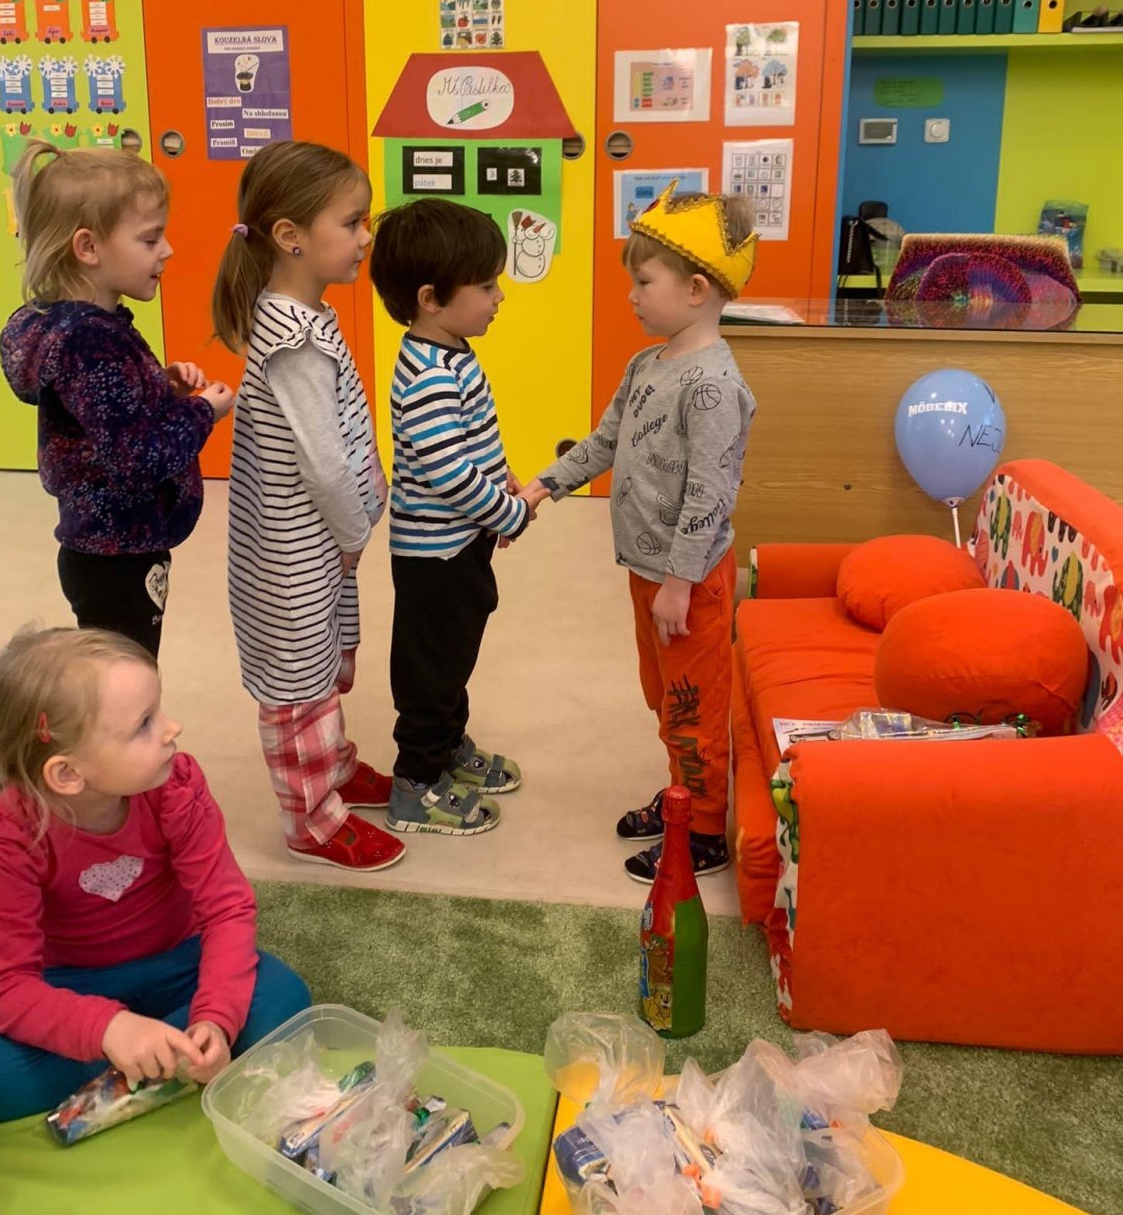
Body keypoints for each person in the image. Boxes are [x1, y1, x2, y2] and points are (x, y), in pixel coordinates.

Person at [0, 627, 310, 1123]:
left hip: (179, 962)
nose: (172, 728)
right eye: (144, 724)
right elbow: (5, 986)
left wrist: (215, 1020)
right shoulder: (9, 834)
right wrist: (108, 1029)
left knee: (285, 997)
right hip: (70, 983)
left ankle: (156, 1055)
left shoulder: (176, 787)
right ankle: (163, 1054)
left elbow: (227, 910)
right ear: (67, 774)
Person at [520, 185, 758, 882]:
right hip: (648, 573)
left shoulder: (714, 388)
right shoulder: (647, 366)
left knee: (692, 705)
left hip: (688, 582)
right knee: (664, 695)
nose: (631, 296)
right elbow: (604, 441)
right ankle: (684, 795)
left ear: (695, 289)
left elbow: (710, 495)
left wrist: (680, 584)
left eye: (644, 282)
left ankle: (703, 830)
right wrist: (543, 486)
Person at [212, 141, 403, 873]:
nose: (365, 238)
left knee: (319, 658)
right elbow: (321, 462)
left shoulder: (305, 315)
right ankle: (312, 822)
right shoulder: (295, 337)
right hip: (297, 547)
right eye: (352, 223)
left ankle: (334, 766)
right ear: (290, 236)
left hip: (314, 542)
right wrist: (354, 532)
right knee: (297, 681)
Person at [0, 142, 233, 657]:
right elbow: (135, 459)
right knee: (126, 672)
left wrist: (160, 389)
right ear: (88, 247)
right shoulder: (92, 342)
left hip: (102, 546)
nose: (167, 250)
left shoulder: (72, 330)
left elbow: (100, 416)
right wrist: (202, 411)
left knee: (119, 667)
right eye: (150, 239)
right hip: (118, 552)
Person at [368, 199, 537, 837]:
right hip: (435, 554)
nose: (500, 297)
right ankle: (416, 783)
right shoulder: (430, 377)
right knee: (432, 670)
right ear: (431, 299)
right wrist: (509, 512)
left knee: (454, 657)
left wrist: (501, 477)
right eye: (487, 285)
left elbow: (469, 443)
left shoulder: (451, 352)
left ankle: (447, 748)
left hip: (458, 542)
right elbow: (448, 472)